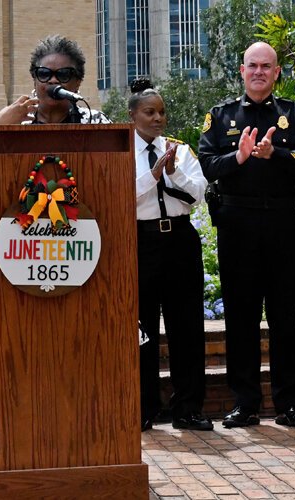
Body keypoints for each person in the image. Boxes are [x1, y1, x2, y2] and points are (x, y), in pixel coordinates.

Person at [197, 41, 295, 428]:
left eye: (267, 66)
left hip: (285, 226)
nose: (259, 72)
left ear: (277, 72)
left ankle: (290, 404)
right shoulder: (220, 116)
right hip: (238, 226)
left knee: (285, 316)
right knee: (241, 317)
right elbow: (207, 165)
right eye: (253, 66)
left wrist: (274, 155)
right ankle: (245, 404)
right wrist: (240, 156)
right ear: (241, 70)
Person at [128, 79, 212, 432]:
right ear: (133, 116)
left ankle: (188, 407)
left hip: (179, 239)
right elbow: (122, 195)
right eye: (150, 112)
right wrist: (153, 175)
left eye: (162, 112)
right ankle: (145, 407)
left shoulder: (180, 150)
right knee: (142, 327)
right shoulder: (121, 151)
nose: (158, 118)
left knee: (187, 327)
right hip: (140, 241)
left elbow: (199, 193)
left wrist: (174, 172)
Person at [0, 34, 110, 125]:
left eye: (63, 74)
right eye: (44, 73)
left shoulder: (95, 121)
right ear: (35, 80)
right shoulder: (17, 121)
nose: (53, 80)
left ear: (78, 82)